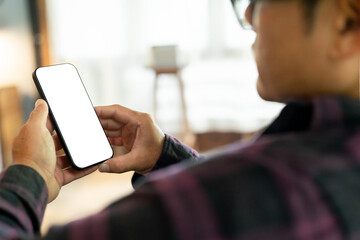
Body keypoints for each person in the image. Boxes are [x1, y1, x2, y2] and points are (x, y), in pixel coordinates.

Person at [1, 0, 360, 239]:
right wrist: (165, 157)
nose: (250, 15)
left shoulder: (254, 187)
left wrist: (29, 173)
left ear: (344, 24)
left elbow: (233, 197)